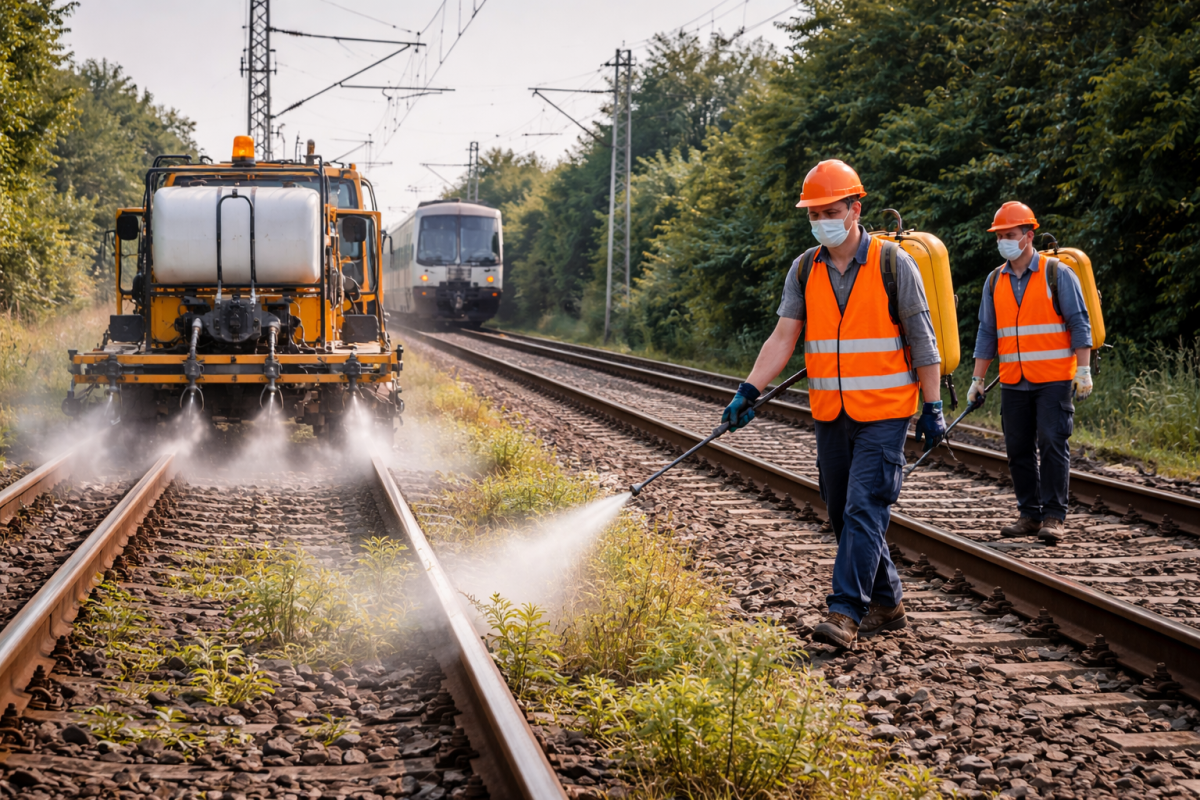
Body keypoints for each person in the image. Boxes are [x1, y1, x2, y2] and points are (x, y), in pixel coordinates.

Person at [721, 160, 945, 649]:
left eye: (830, 211)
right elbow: (783, 337)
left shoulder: (893, 264)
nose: (821, 220)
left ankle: (845, 613)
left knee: (865, 506)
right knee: (842, 511)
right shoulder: (805, 268)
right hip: (830, 411)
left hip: (886, 410)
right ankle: (888, 601)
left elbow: (924, 342)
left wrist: (932, 408)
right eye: (814, 213)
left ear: (854, 209)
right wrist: (748, 390)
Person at [969, 202, 1092, 545]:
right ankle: (1030, 514)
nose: (1003, 241)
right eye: (999, 236)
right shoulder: (994, 280)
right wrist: (977, 379)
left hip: (1053, 378)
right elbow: (987, 333)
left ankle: (1053, 517)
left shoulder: (1057, 273)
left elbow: (1079, 323)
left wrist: (1083, 369)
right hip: (1013, 380)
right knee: (1018, 448)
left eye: (1010, 235)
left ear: (1028, 235)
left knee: (1052, 442)